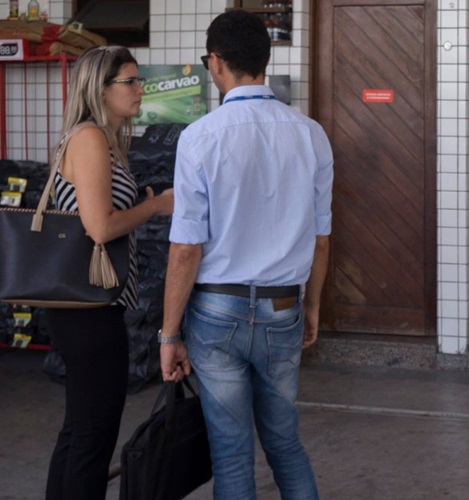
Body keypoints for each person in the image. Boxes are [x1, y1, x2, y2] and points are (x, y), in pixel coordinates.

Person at [158, 10, 333, 500]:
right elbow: (321, 239)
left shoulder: (198, 137)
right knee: (285, 442)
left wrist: (169, 333)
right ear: (266, 59)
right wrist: (312, 306)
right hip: (284, 306)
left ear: (215, 62)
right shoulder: (311, 134)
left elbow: (186, 248)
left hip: (216, 311)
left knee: (231, 453)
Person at [43, 45, 174, 499]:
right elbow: (99, 228)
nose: (140, 89)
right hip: (88, 308)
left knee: (80, 429)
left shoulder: (102, 140)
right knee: (93, 437)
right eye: (130, 81)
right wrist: (155, 207)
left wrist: (137, 202)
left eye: (140, 80)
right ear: (100, 89)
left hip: (88, 305)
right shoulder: (90, 139)